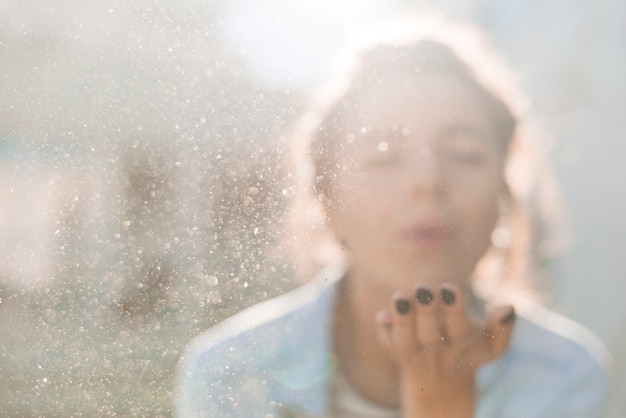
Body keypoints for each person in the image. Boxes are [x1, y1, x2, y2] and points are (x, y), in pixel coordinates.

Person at [175, 14, 612, 418]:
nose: (428, 181)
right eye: (383, 156)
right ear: (327, 198)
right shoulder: (231, 373)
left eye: (463, 154)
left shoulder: (564, 374)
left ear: (503, 191)